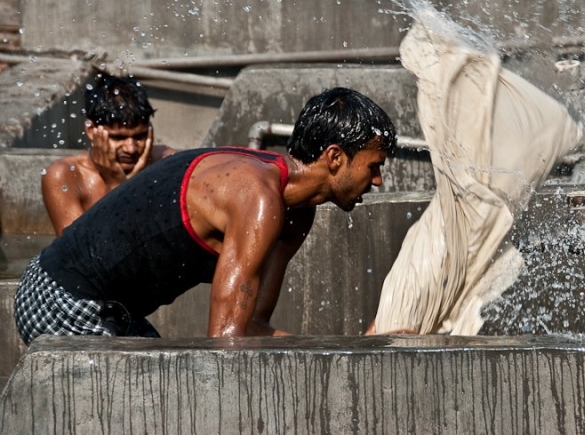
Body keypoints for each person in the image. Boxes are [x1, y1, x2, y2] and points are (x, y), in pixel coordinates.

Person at [15, 87, 397, 344]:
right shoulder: (258, 196)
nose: (377, 181)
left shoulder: (297, 213)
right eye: (373, 165)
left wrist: (348, 349)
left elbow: (251, 327)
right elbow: (225, 344)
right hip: (59, 296)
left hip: (107, 306)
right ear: (334, 157)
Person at [41, 74, 176, 236]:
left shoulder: (165, 162)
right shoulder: (65, 175)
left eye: (139, 136)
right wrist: (117, 186)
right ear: (91, 131)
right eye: (118, 137)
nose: (131, 149)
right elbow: (77, 255)